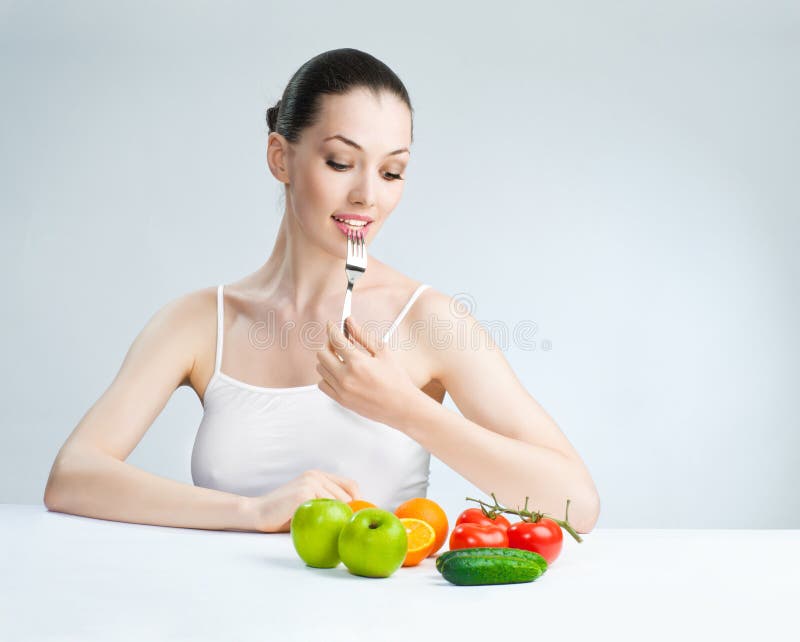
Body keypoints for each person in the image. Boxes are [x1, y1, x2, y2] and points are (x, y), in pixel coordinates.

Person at [44, 48, 601, 535]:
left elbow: (577, 504)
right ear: (280, 158)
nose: (367, 196)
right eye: (340, 162)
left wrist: (406, 409)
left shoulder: (427, 320)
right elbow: (73, 476)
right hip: (218, 608)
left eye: (392, 172)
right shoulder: (199, 322)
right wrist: (253, 511)